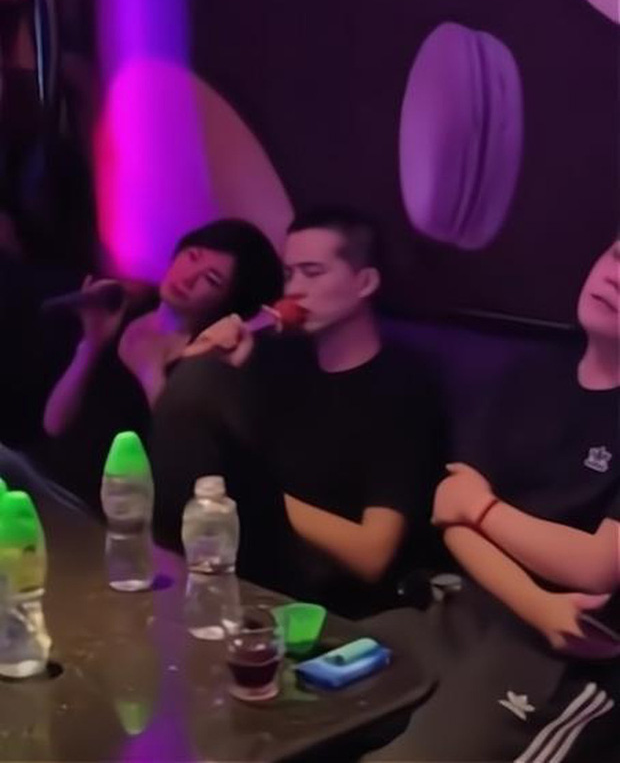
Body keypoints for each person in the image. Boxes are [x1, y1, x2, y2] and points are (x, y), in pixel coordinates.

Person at [364, 240, 620, 762]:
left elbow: (598, 566)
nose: (615, 277)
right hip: (469, 608)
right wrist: (534, 601)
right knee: (289, 679)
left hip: (566, 658)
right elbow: (448, 511)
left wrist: (483, 509)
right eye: (617, 257)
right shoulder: (533, 374)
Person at [178, 206, 445, 616]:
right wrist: (219, 363)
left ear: (365, 282)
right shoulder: (279, 361)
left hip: (335, 604)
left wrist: (259, 495)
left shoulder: (401, 387)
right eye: (289, 275)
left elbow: (372, 554)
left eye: (312, 273)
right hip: (252, 574)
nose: (295, 290)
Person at [38, 219, 283, 511]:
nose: (188, 277)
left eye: (211, 279)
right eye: (192, 256)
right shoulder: (124, 312)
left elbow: (185, 463)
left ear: (229, 302)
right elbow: (54, 424)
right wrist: (91, 343)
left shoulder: (206, 361)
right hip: (56, 486)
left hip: (120, 512)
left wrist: (150, 373)